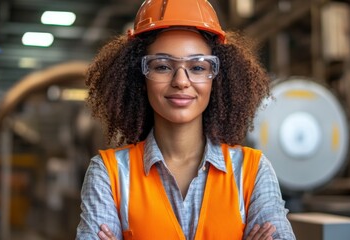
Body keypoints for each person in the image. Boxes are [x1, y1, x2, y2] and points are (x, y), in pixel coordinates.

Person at [76, 0, 296, 239]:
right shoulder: (109, 174)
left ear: (217, 78)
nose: (181, 81)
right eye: (162, 66)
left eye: (198, 68)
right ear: (140, 77)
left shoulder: (251, 171)